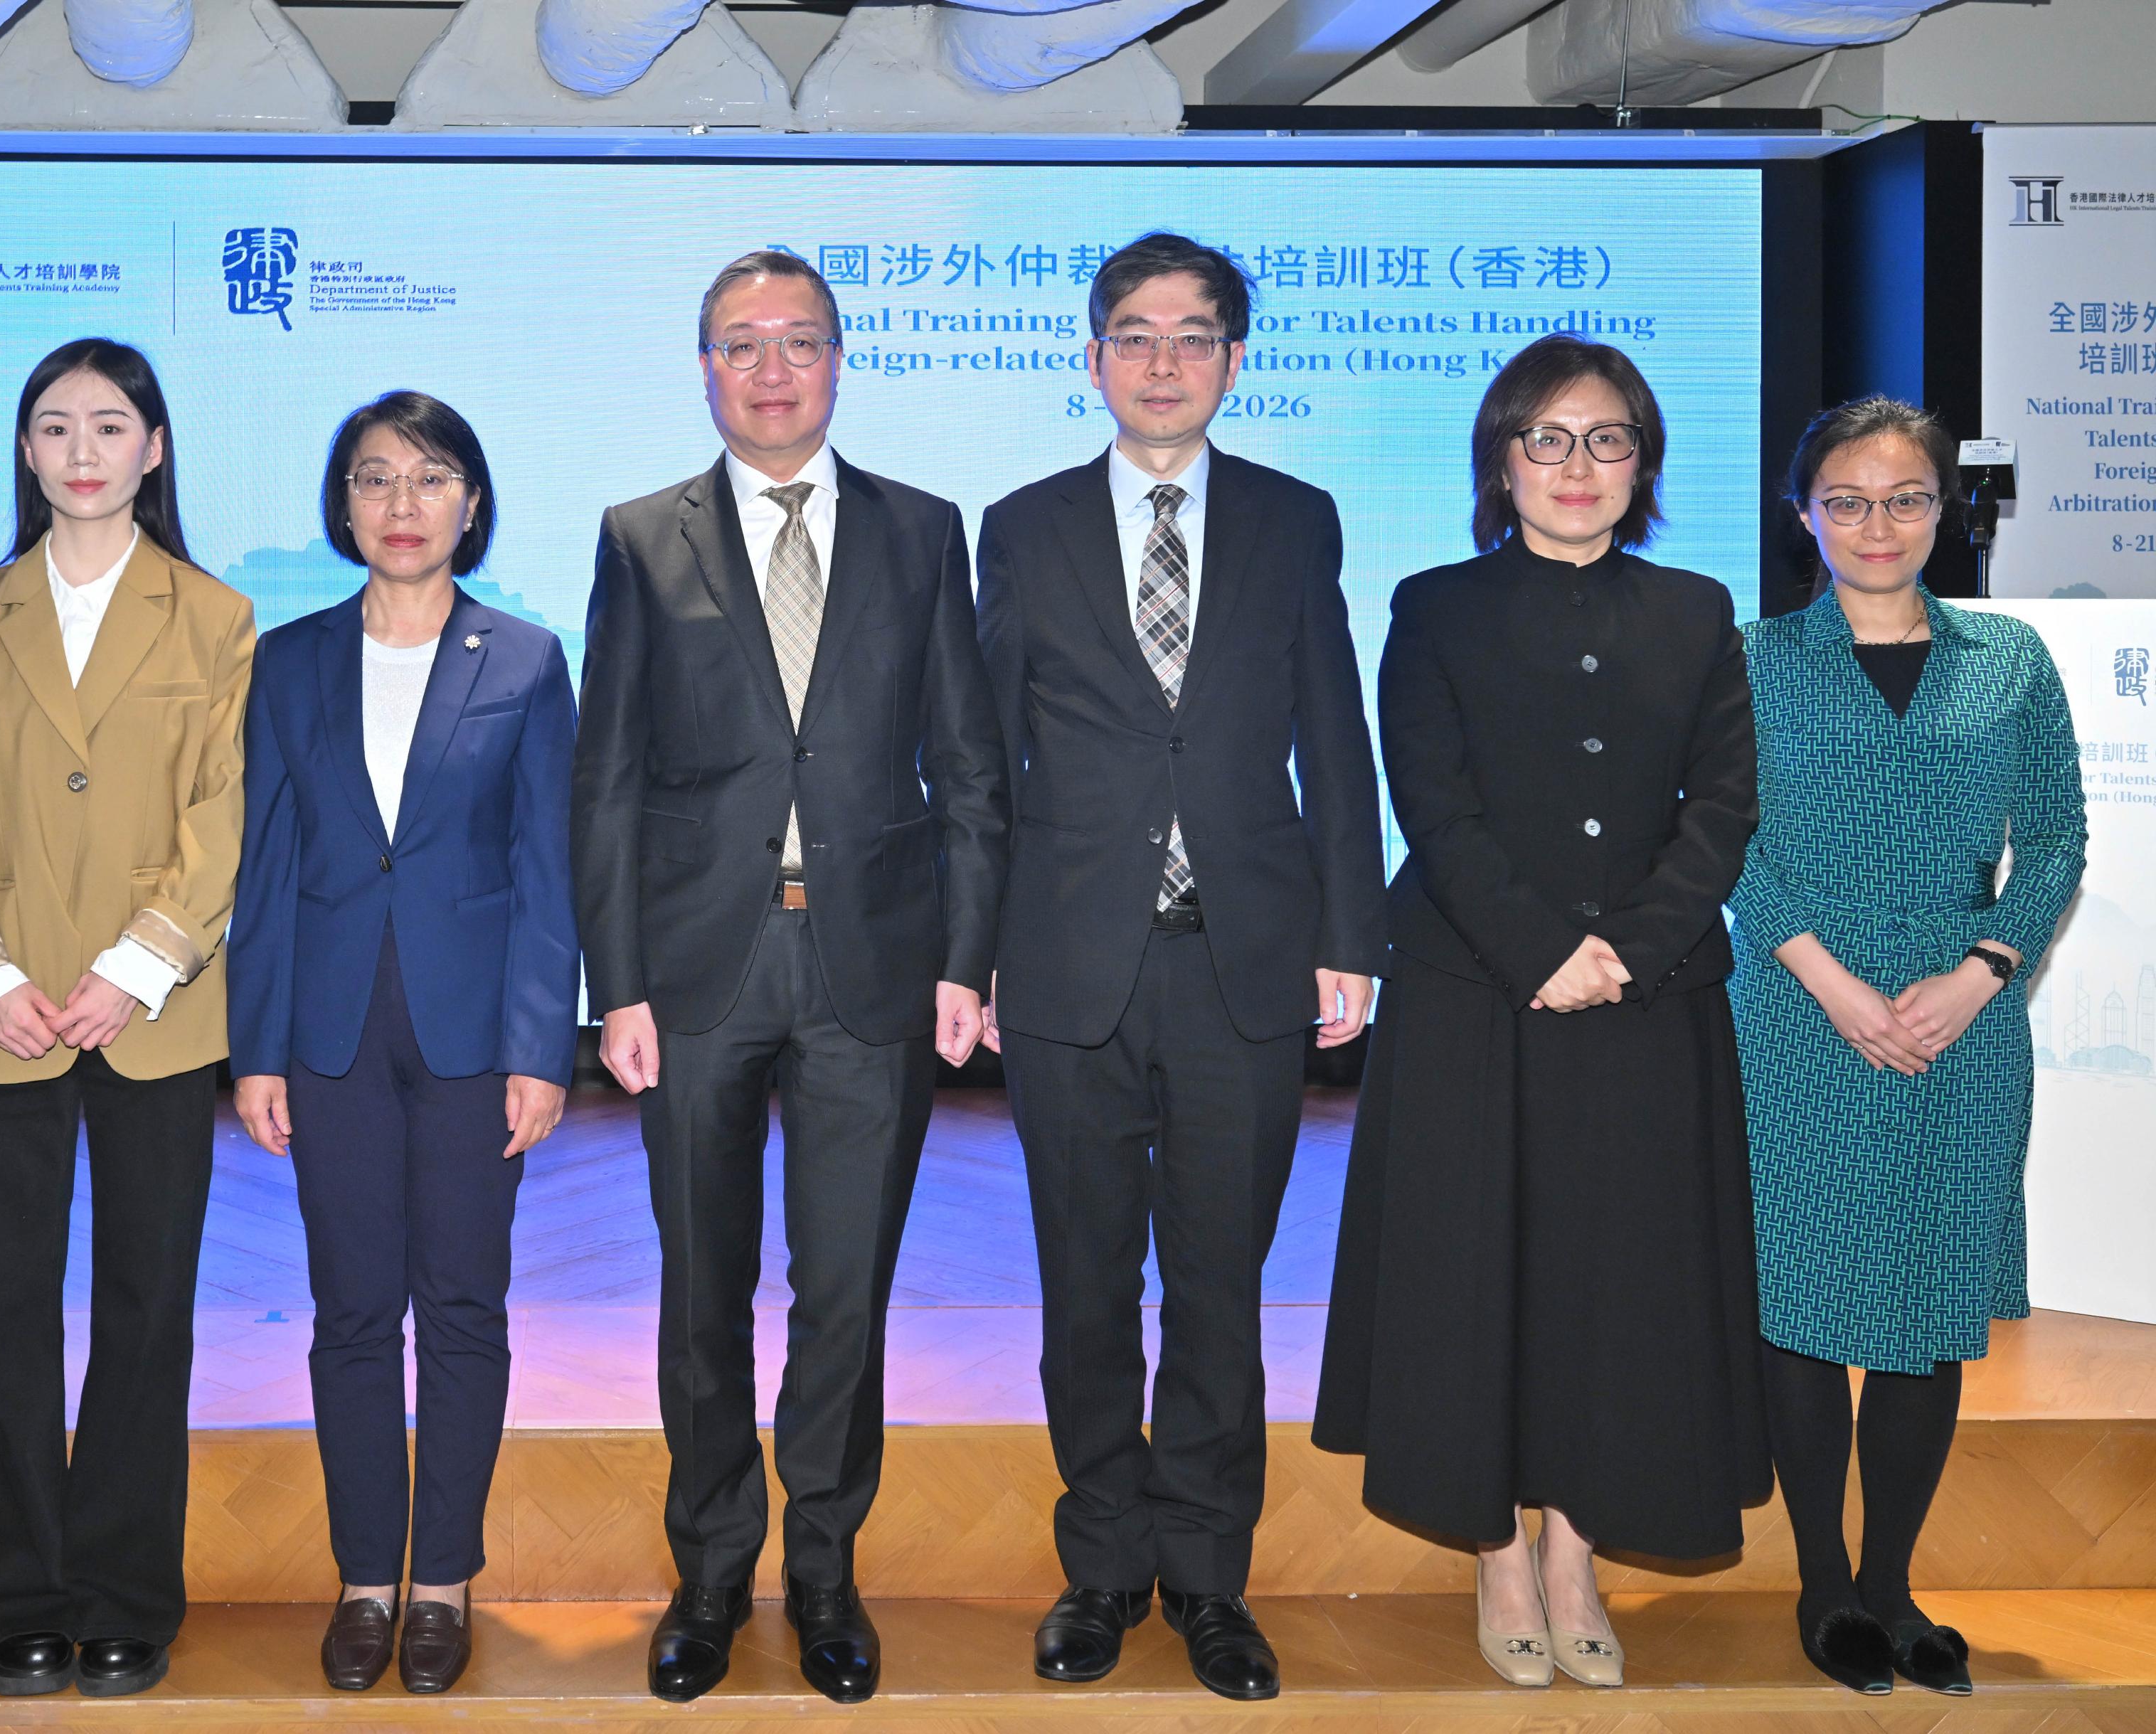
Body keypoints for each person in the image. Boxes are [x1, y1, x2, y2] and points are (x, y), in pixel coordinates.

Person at [571, 250, 1011, 1706]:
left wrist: (965, 956)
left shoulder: (918, 530)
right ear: (702, 366)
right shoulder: (641, 536)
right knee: (699, 1291)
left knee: (844, 1292)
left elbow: (966, 766)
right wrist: (613, 983)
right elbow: (609, 781)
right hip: (694, 969)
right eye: (740, 344)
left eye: (799, 342)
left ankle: (821, 1565)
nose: (771, 369)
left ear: (839, 360)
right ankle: (708, 1568)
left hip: (870, 965)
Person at [1313, 332, 1769, 1688]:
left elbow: (1724, 805)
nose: (1579, 467)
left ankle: (1578, 1547)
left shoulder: (1697, 610)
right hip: (1476, 997)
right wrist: (1540, 948)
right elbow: (1431, 800)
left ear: (1645, 464)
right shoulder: (1434, 604)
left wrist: (1625, 947)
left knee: (1615, 1287)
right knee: (1482, 1277)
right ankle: (1500, 1551)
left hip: (1650, 1000)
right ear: (1500, 460)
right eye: (1549, 440)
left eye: (1609, 439)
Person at [974, 232, 1384, 1701]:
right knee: (1082, 1285)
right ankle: (1100, 1568)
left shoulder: (1291, 519)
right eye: (1133, 335)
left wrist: (1351, 933)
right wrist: (976, 955)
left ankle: (1209, 1577)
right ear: (1091, 358)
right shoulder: (1018, 527)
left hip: (1243, 963)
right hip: (1069, 964)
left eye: (1192, 335)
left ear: (1230, 356)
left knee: (1217, 1284)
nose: (1161, 362)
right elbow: (981, 764)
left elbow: (1332, 740)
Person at [0, 338, 254, 1700]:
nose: (82, 452)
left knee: (144, 1309)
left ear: (155, 448)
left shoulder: (216, 617)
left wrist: (139, 963)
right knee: (5, 1308)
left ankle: (124, 1593)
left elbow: (219, 814)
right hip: (0, 1010)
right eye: (54, 428)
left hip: (152, 1012)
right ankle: (17, 1597)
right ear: (26, 452)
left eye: (110, 426)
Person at [1731, 397, 2085, 1697]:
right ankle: (1827, 1586)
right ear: (1805, 514)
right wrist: (1828, 981)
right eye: (1847, 501)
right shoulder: (1753, 656)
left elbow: (2054, 837)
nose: (1877, 525)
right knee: (1810, 1307)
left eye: (1906, 499)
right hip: (1792, 1010)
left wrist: (1984, 970)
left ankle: (1895, 1584)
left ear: (1946, 509)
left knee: (1929, 1314)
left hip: (1965, 1020)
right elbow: (1723, 839)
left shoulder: (2012, 658)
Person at [227, 392, 578, 1696]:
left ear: (470, 501)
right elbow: (265, 869)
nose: (402, 504)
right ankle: (365, 1574)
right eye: (375, 479)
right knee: (352, 1311)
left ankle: (444, 1581)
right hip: (327, 1029)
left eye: (431, 479)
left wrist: (545, 1050)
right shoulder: (288, 658)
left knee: (466, 1306)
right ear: (344, 504)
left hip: (476, 1031)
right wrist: (253, 1045)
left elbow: (549, 872)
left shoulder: (529, 659)